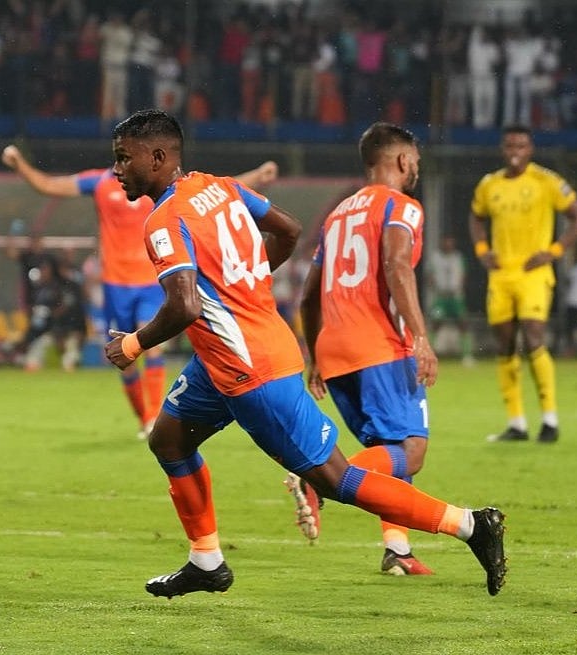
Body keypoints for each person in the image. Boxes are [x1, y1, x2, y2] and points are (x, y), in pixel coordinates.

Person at [102, 109, 507, 598]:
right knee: (168, 440)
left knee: (336, 478)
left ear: (159, 156)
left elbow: (184, 305)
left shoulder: (163, 221)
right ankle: (206, 561)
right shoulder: (222, 187)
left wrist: (132, 343)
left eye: (125, 158)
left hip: (252, 369)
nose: (117, 169)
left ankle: (469, 525)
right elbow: (289, 230)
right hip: (222, 360)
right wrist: (246, 280)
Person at [1, 142, 278, 438]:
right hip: (115, 285)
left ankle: (155, 417)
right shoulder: (100, 182)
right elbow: (50, 185)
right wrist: (20, 165)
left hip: (151, 281)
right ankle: (144, 417)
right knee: (125, 357)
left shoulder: (155, 185)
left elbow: (214, 190)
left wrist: (258, 175)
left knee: (151, 344)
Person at [297, 122, 437, 576]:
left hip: (335, 350)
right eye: (413, 159)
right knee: (412, 449)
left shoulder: (337, 215)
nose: (416, 167)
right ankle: (317, 481)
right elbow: (398, 266)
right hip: (379, 344)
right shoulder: (402, 206)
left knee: (390, 448)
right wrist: (419, 336)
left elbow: (306, 295)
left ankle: (397, 550)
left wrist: (315, 356)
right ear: (400, 160)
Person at [469, 124, 577, 443]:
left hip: (533, 274)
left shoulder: (546, 181)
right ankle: (517, 423)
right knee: (505, 344)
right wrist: (482, 250)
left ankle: (550, 420)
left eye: (521, 146)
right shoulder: (489, 185)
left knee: (534, 335)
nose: (515, 152)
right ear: (502, 149)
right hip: (501, 274)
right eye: (510, 146)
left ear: (530, 149)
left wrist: (554, 252)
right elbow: (476, 217)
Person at [427, 234, 475, 365]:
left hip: (456, 298)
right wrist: (436, 289)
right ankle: (429, 353)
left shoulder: (458, 258)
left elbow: (464, 275)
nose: (448, 245)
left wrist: (459, 288)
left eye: (451, 243)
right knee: (436, 322)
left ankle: (467, 355)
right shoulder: (435, 258)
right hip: (440, 299)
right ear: (442, 243)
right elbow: (429, 275)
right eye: (446, 242)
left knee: (463, 322)